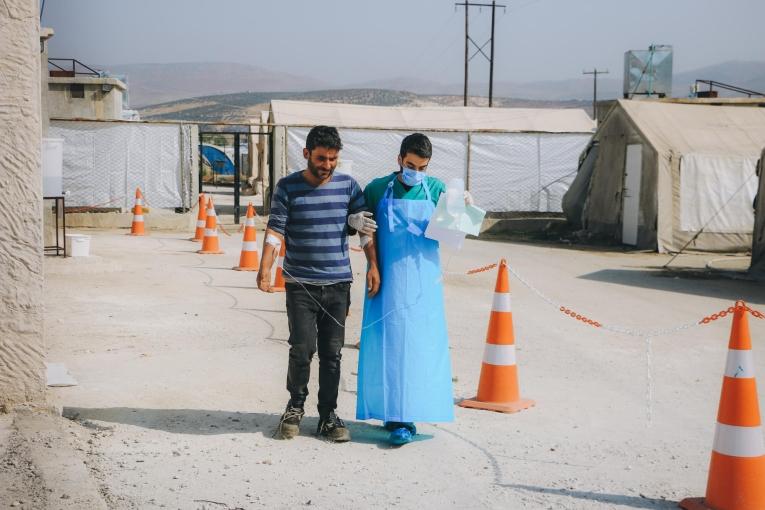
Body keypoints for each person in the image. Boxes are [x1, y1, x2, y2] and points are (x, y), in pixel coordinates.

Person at [258, 125, 380, 442]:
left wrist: (373, 264)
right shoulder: (287, 188)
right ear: (306, 154)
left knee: (332, 353)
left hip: (338, 285)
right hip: (300, 284)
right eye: (321, 158)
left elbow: (365, 227)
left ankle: (328, 416)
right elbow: (275, 230)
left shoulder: (348, 186)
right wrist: (266, 267)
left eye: (333, 159)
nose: (327, 165)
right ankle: (295, 408)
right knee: (302, 349)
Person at [356, 133, 469, 445]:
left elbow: (452, 238)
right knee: (388, 345)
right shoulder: (378, 188)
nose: (415, 171)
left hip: (422, 285)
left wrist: (461, 210)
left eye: (422, 167)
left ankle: (408, 416)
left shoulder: (436, 190)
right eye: (410, 165)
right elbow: (368, 234)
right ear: (399, 159)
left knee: (419, 348)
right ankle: (391, 412)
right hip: (387, 279)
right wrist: (374, 267)